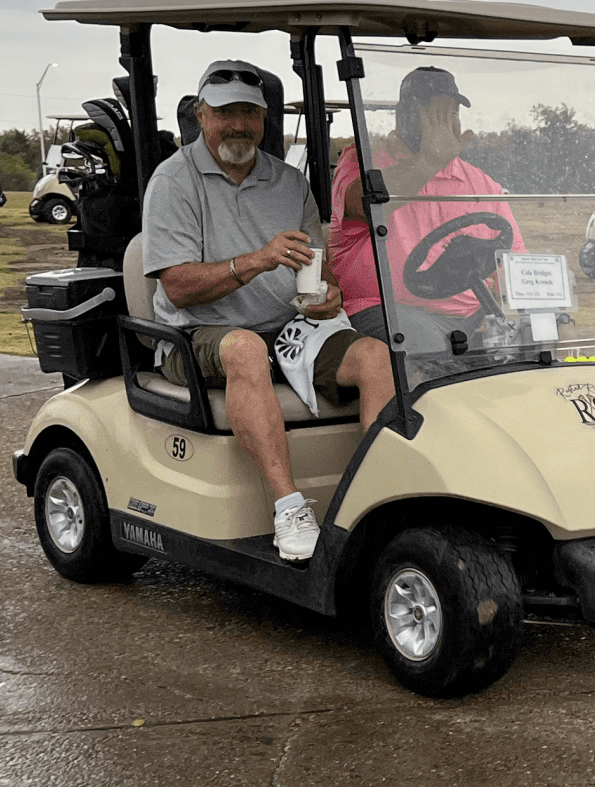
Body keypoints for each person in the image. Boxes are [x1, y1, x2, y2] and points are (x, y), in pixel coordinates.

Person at [141, 62, 397, 564]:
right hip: (194, 336)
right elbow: (177, 288)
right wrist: (256, 260)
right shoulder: (172, 182)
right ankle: (288, 507)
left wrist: (328, 296)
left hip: (287, 330)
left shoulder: (288, 182)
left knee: (376, 356)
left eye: (250, 113)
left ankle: (375, 502)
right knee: (244, 346)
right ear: (201, 115)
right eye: (226, 112)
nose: (239, 124)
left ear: (264, 119)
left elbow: (316, 273)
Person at [331, 65, 523, 350]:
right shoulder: (361, 161)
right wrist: (427, 162)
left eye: (451, 113)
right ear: (403, 115)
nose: (444, 125)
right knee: (425, 345)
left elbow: (513, 260)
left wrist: (509, 313)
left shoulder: (480, 182)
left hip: (472, 316)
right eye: (433, 114)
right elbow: (365, 204)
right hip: (386, 310)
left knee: (535, 340)